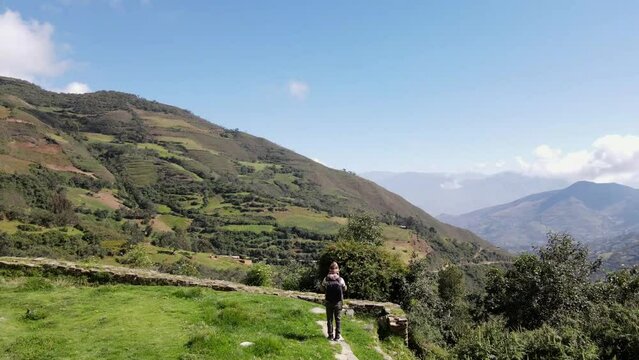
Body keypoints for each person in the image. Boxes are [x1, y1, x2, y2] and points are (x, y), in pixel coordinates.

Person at [321, 262, 347, 341]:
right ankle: (337, 336)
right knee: (338, 319)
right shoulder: (340, 279)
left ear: (330, 269)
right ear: (338, 270)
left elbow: (322, 288)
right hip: (338, 302)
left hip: (328, 301)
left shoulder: (326, 279)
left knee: (329, 319)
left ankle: (330, 335)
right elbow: (344, 289)